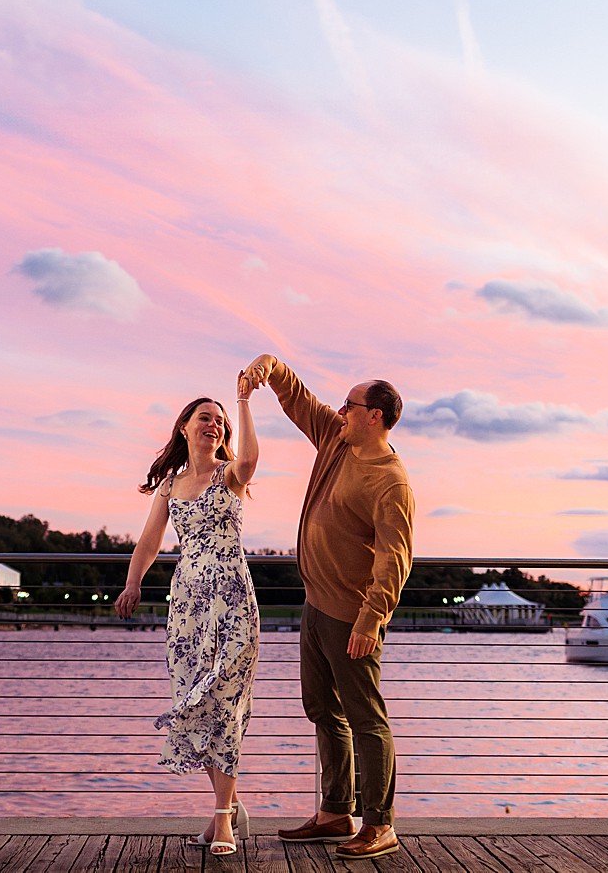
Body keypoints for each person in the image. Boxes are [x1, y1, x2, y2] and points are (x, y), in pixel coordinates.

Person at [241, 354, 414, 861]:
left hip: (351, 615)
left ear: (375, 416)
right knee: (322, 708)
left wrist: (370, 619)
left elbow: (394, 558)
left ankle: (380, 824)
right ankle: (336, 810)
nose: (340, 410)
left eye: (351, 404)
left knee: (366, 717)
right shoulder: (338, 439)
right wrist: (269, 367)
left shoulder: (390, 479)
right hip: (315, 604)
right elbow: (300, 400)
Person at [117, 385, 262, 857]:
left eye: (220, 421)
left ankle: (222, 819)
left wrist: (241, 402)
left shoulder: (231, 475)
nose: (213, 424)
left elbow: (252, 459)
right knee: (195, 701)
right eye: (205, 416)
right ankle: (228, 805)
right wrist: (133, 583)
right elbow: (149, 541)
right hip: (188, 602)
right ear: (184, 427)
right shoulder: (170, 485)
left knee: (225, 698)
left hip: (233, 597)